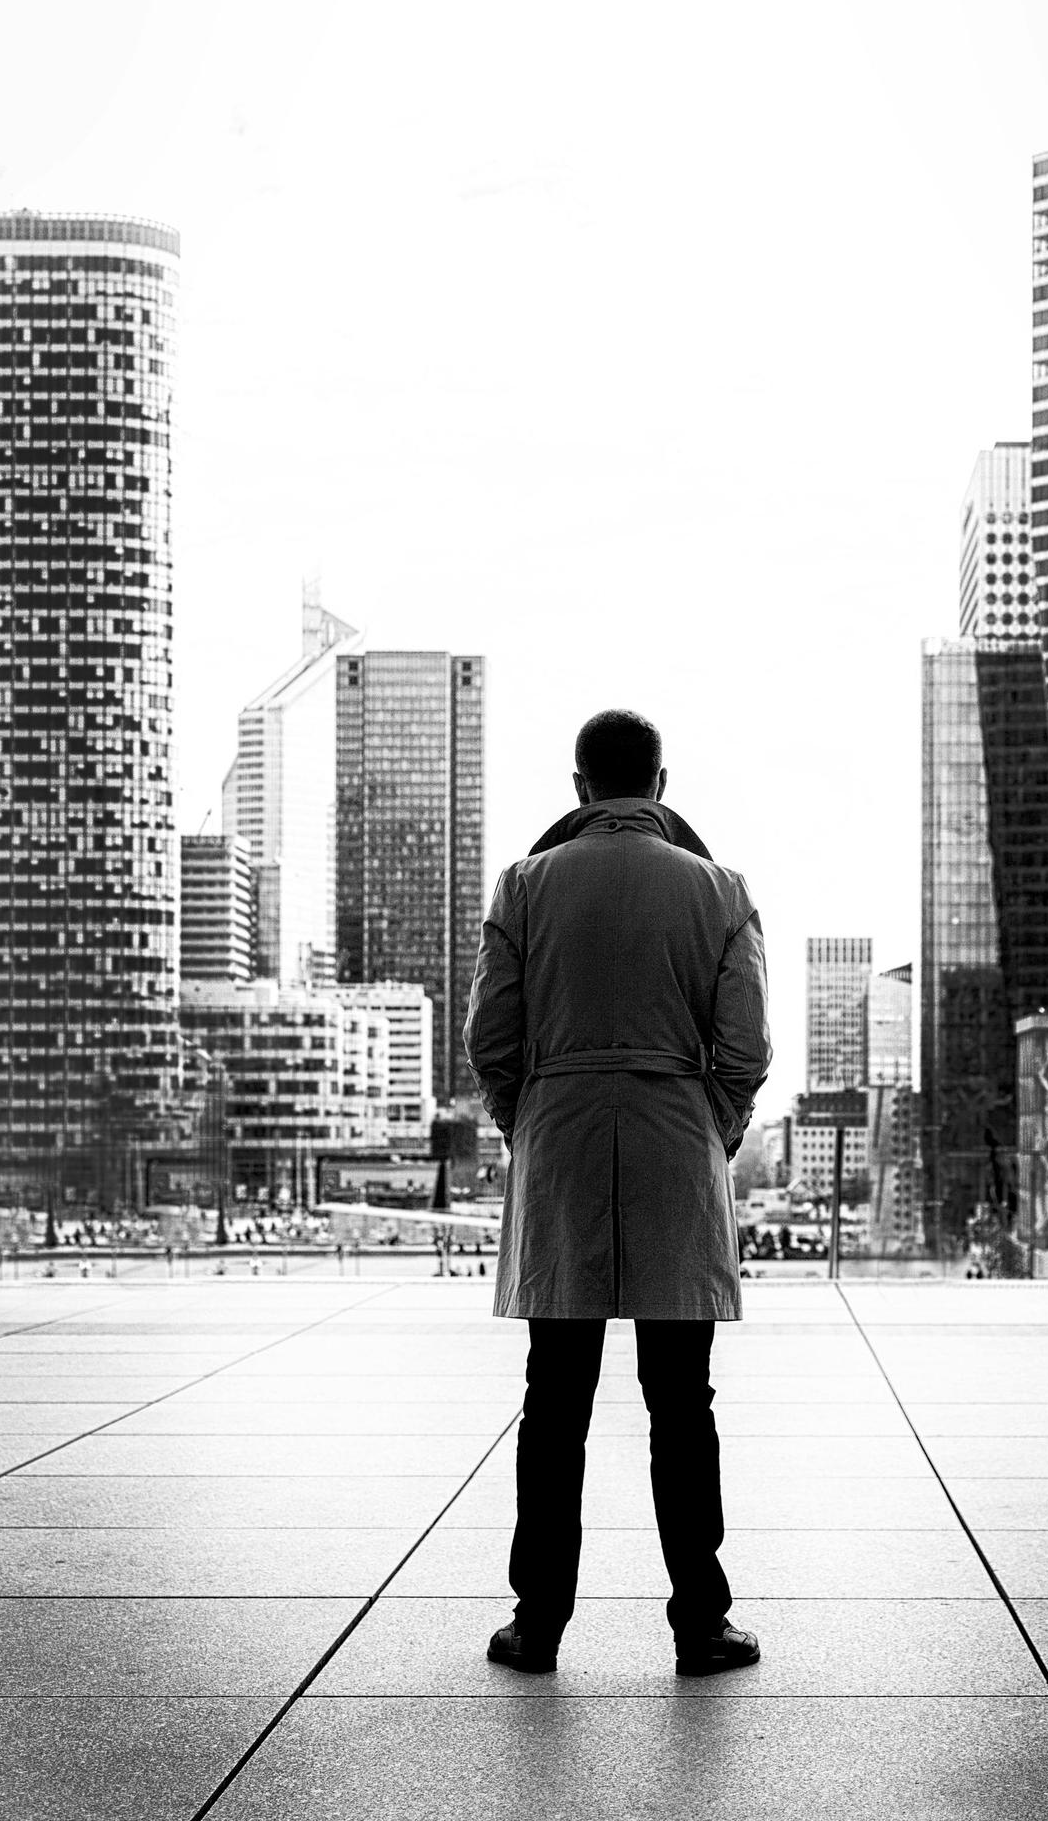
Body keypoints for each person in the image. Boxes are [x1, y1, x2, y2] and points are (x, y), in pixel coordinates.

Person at [464, 708, 772, 1677]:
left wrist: (527, 1121)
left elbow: (488, 1038)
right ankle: (699, 1623)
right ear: (661, 785)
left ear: (579, 787)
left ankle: (538, 1625)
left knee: (554, 1403)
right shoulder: (720, 891)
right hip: (675, 1148)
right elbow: (747, 1047)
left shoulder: (524, 886)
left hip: (559, 1143)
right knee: (681, 1404)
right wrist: (711, 1127)